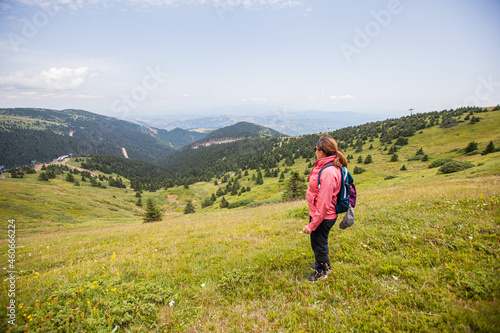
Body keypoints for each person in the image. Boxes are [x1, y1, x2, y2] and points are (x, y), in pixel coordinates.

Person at [302, 135, 348, 282]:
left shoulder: (328, 172)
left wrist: (312, 224)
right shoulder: (326, 166)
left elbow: (324, 202)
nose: (314, 151)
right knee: (316, 241)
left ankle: (322, 271)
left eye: (315, 149)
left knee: (320, 243)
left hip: (323, 215)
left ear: (321, 152)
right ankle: (321, 264)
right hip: (319, 213)